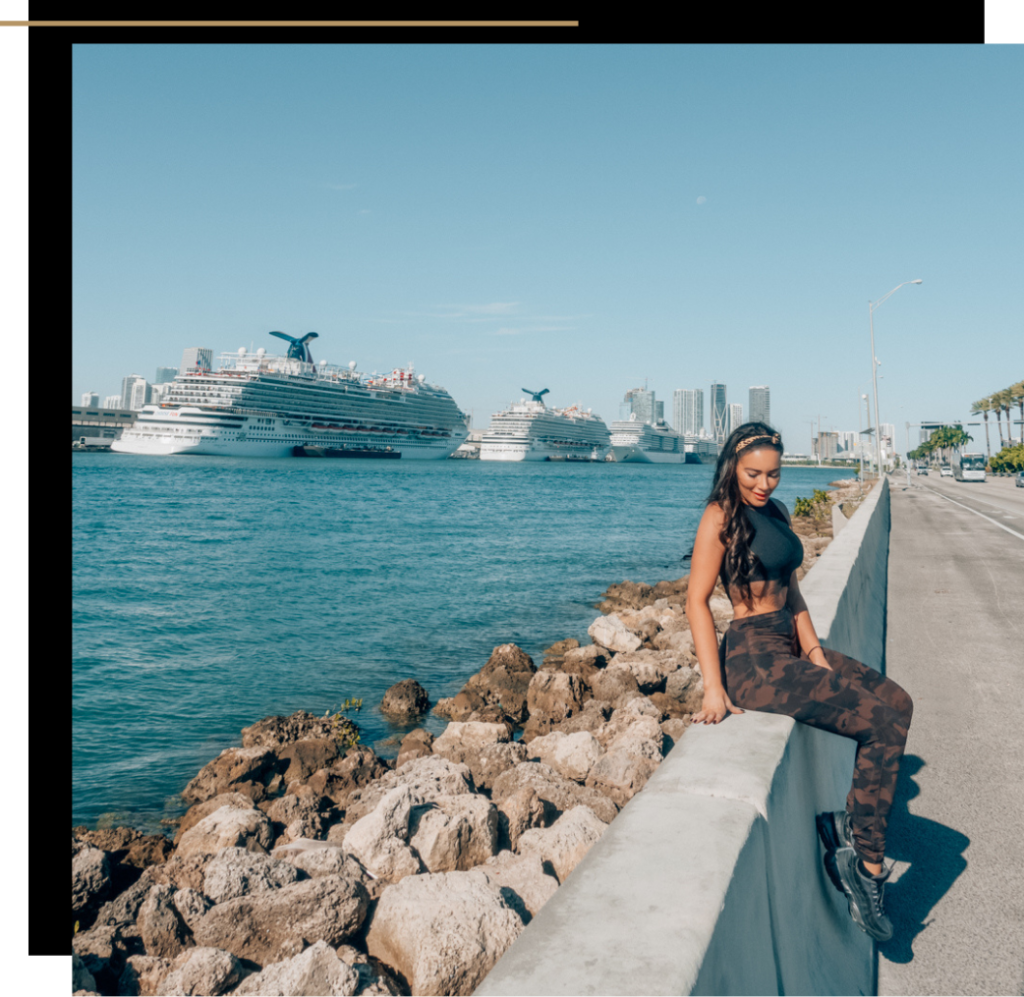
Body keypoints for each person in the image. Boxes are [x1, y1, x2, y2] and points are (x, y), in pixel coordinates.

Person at [684, 421, 913, 943]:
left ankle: (847, 828)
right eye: (753, 474)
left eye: (773, 474)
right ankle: (867, 866)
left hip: (788, 645)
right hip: (752, 662)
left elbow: (793, 591)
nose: (764, 484)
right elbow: (696, 601)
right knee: (878, 725)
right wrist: (713, 687)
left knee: (898, 703)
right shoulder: (720, 516)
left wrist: (814, 651)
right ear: (732, 467)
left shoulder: (778, 513)